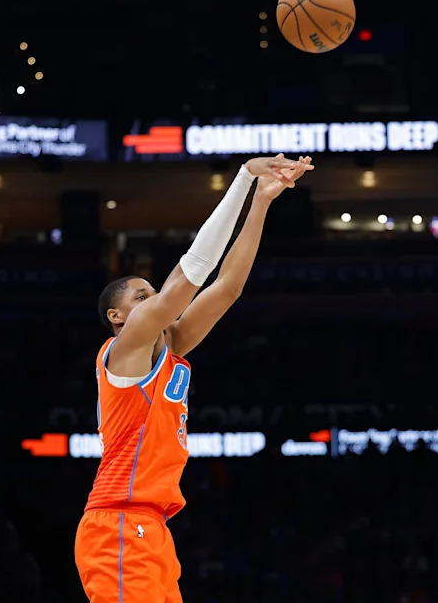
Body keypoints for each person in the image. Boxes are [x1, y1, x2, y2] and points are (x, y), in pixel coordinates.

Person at [74, 154, 314, 603]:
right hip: (118, 521)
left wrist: (261, 202)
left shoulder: (173, 347)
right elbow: (192, 271)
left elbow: (228, 287)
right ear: (117, 317)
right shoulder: (122, 351)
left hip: (153, 526)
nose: (153, 301)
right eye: (141, 297)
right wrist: (244, 178)